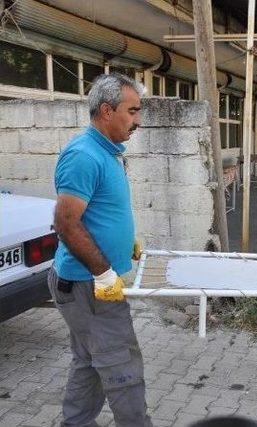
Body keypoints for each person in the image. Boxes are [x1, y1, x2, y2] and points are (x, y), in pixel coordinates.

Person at [49, 74, 152, 426]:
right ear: (107, 111)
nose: (138, 121)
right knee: (121, 366)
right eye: (132, 111)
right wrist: (104, 272)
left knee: (89, 362)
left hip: (85, 284)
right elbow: (65, 224)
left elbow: (97, 213)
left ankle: (75, 423)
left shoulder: (108, 152)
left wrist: (125, 244)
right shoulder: (83, 155)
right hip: (88, 287)